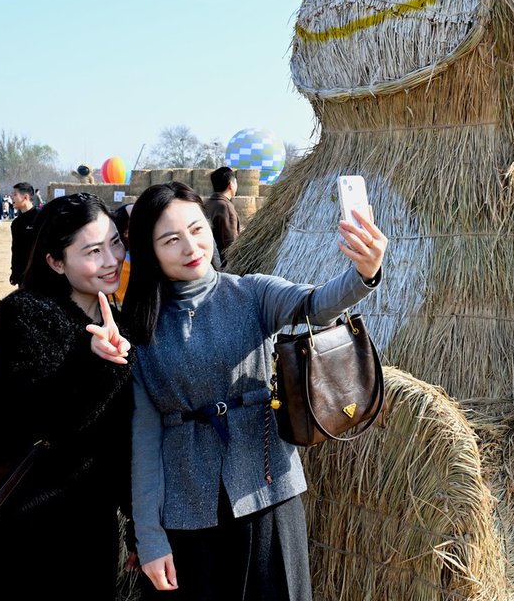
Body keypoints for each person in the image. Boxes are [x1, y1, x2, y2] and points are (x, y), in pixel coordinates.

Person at [92, 181, 387, 600]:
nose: (190, 246)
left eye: (196, 229)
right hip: (186, 508)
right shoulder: (139, 330)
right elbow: (144, 440)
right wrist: (150, 538)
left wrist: (365, 272)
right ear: (150, 251)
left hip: (269, 488)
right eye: (171, 240)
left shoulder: (251, 292)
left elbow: (317, 304)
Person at [0, 193, 136, 599]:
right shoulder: (24, 313)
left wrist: (135, 521)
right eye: (93, 251)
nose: (111, 259)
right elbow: (47, 423)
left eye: (115, 242)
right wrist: (102, 364)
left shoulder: (119, 316)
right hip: (26, 516)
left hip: (91, 516)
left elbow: (124, 433)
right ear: (56, 262)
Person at [203, 166, 240, 261]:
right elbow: (231, 243)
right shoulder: (225, 207)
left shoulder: (207, 203)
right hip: (222, 266)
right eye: (235, 182)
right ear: (231, 184)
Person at [8, 182, 39, 285]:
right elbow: (16, 249)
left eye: (15, 194)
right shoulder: (16, 223)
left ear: (25, 197)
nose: (12, 197)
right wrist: (15, 272)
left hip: (42, 274)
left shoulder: (42, 217)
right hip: (23, 276)